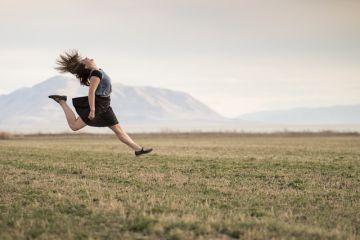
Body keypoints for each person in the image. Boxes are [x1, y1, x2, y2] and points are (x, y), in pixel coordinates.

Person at [49, 49, 152, 156]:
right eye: (85, 60)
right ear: (86, 66)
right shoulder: (96, 74)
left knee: (118, 130)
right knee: (74, 126)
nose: (87, 58)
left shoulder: (97, 70)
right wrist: (92, 110)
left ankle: (138, 150)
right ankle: (62, 101)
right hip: (98, 105)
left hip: (105, 104)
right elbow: (91, 92)